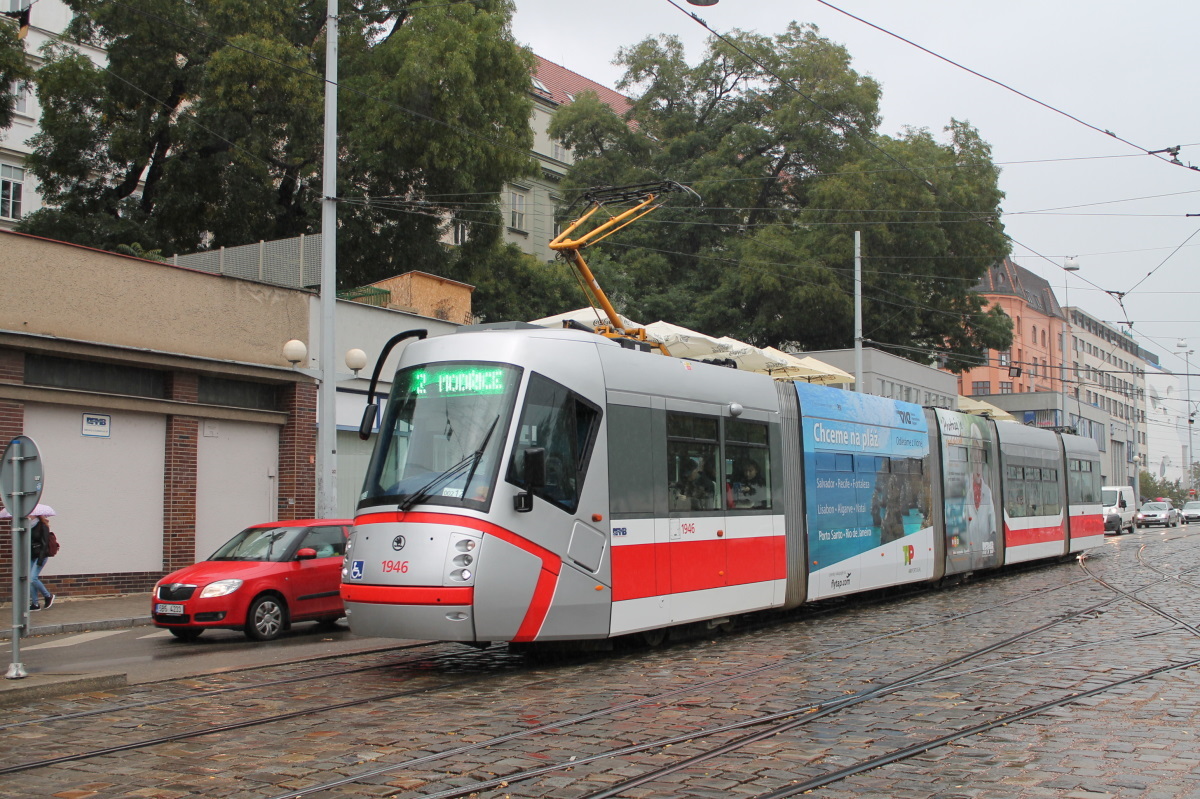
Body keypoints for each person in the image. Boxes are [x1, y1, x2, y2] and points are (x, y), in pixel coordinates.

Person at [29, 515, 54, 611]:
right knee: (30, 581)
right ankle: (35, 604)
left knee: (33, 578)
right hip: (32, 556)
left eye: (30, 513)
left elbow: (44, 544)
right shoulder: (28, 526)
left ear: (35, 515)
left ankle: (48, 596)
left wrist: (40, 559)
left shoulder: (42, 526)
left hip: (40, 556)